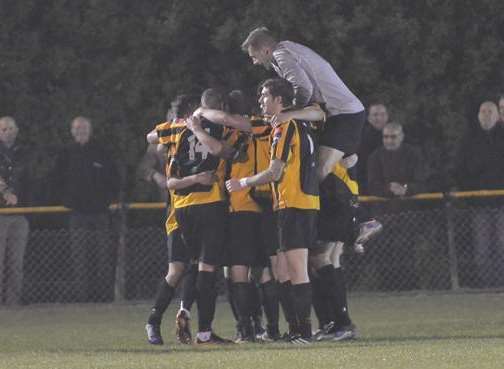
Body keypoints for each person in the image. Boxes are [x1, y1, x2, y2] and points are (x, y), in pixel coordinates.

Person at [227, 78, 323, 344]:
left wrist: (242, 183)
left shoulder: (284, 125)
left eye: (265, 96)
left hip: (293, 202)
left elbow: (274, 171)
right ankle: (298, 329)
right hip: (305, 202)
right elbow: (320, 113)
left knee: (295, 271)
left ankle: (302, 332)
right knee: (286, 271)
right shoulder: (303, 122)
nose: (260, 101)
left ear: (280, 99)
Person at [241, 27, 365, 184]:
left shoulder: (281, 55)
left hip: (344, 114)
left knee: (317, 170)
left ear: (265, 50)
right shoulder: (284, 51)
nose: (254, 62)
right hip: (336, 113)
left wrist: (288, 112)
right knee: (320, 164)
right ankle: (348, 157)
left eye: (254, 56)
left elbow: (304, 88)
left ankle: (320, 204)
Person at [144, 94, 200, 345]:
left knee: (196, 266)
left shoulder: (199, 133)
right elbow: (152, 142)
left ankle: (184, 314)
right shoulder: (173, 133)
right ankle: (153, 321)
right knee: (177, 269)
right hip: (178, 209)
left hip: (201, 209)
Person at [51, 116, 119, 302]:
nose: (81, 131)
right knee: (79, 257)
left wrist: (111, 200)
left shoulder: (102, 151)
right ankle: (82, 299)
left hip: (100, 212)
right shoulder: (66, 153)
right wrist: (66, 201)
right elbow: (56, 179)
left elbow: (114, 178)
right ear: (72, 131)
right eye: (77, 128)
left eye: (84, 128)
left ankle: (104, 298)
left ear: (90, 130)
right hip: (77, 214)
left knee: (103, 257)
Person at [455, 101, 504, 287]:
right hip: (479, 204)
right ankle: (487, 285)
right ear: (477, 115)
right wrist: (470, 191)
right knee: (482, 248)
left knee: (501, 246)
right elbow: (461, 170)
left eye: (490, 111)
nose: (486, 115)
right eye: (482, 111)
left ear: (497, 115)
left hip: (501, 202)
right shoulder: (470, 139)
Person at [0, 116, 29, 305]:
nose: (7, 132)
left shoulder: (24, 153)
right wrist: (5, 192)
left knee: (16, 263)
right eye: (3, 129)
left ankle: (13, 303)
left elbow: (30, 179)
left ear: (17, 130)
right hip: (1, 214)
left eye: (10, 128)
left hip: (20, 214)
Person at [357, 103, 390, 194]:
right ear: (369, 118)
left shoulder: (395, 135)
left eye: (382, 114)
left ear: (387, 116)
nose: (379, 118)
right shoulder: (362, 138)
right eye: (375, 115)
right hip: (368, 186)